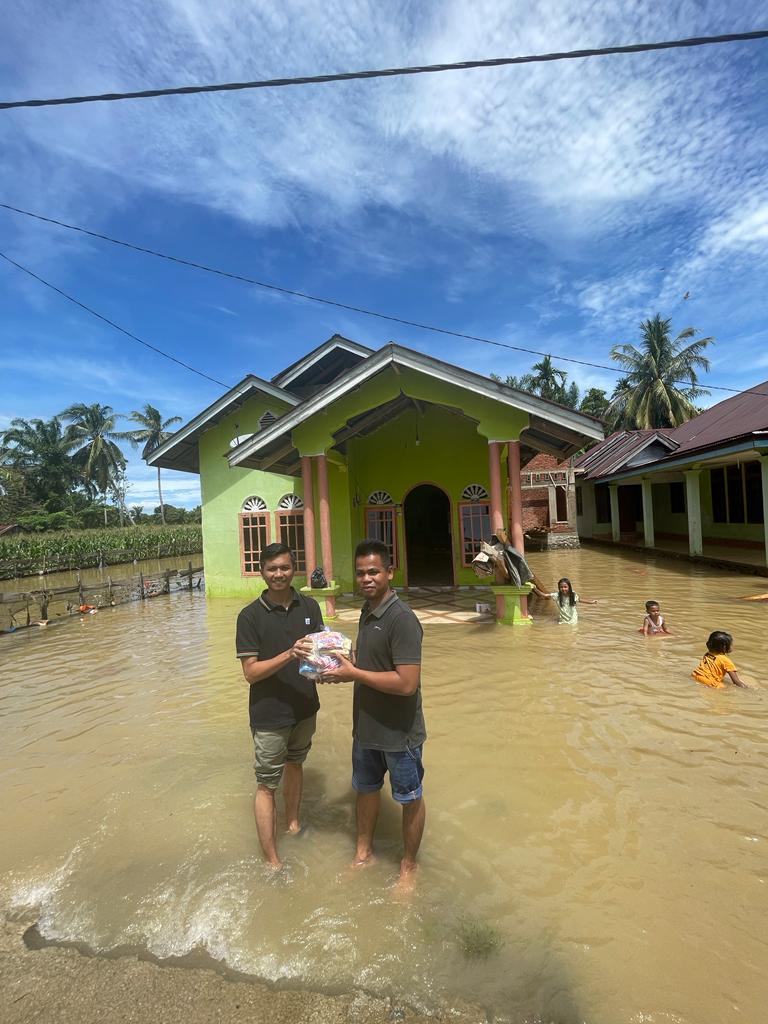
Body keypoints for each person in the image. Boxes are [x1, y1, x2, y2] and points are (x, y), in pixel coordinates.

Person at [320, 539, 425, 886]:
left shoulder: (402, 619)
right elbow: (368, 664)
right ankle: (363, 852)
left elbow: (406, 683)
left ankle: (409, 866)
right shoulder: (367, 611)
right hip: (366, 728)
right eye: (361, 573)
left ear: (390, 572)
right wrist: (333, 663)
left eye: (374, 572)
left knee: (410, 798)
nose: (366, 579)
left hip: (400, 733)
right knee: (365, 789)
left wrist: (354, 674)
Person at [235, 543, 324, 869]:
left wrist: (334, 665)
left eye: (284, 567)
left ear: (294, 568)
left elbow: (320, 654)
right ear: (262, 572)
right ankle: (273, 861)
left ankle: (293, 824)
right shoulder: (249, 616)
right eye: (272, 569)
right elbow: (251, 673)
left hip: (305, 708)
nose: (279, 574)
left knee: (296, 764)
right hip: (269, 714)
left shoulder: (309, 606)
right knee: (266, 784)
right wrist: (289, 654)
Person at [532, 577, 597, 624]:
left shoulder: (572, 595)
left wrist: (592, 602)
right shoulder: (557, 595)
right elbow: (544, 595)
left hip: (573, 619)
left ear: (569, 587)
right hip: (563, 620)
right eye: (561, 587)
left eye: (565, 587)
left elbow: (580, 600)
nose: (563, 589)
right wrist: (535, 589)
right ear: (559, 588)